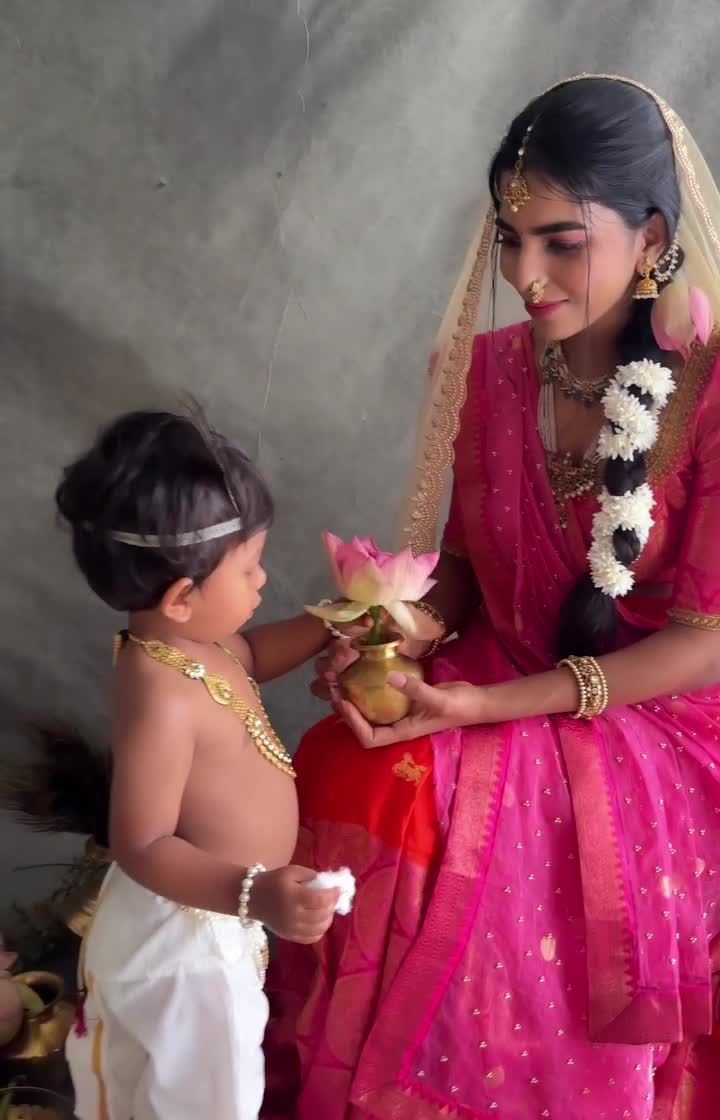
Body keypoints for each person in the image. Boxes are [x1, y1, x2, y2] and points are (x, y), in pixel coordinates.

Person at [263, 76, 720, 1119]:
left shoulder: (711, 391)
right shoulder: (487, 371)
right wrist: (405, 631)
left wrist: (481, 707)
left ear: (652, 237)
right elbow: (468, 564)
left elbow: (706, 642)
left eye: (562, 241)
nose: (525, 274)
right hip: (501, 665)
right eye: (510, 240)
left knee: (432, 792)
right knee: (341, 757)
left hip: (657, 715)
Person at [57, 409, 342, 1120]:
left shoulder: (193, 645)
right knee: (205, 1099)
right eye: (249, 568)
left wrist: (334, 622)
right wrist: (255, 893)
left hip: (218, 920)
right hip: (187, 946)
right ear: (182, 598)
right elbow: (144, 842)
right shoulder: (161, 695)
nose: (263, 580)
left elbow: (253, 655)